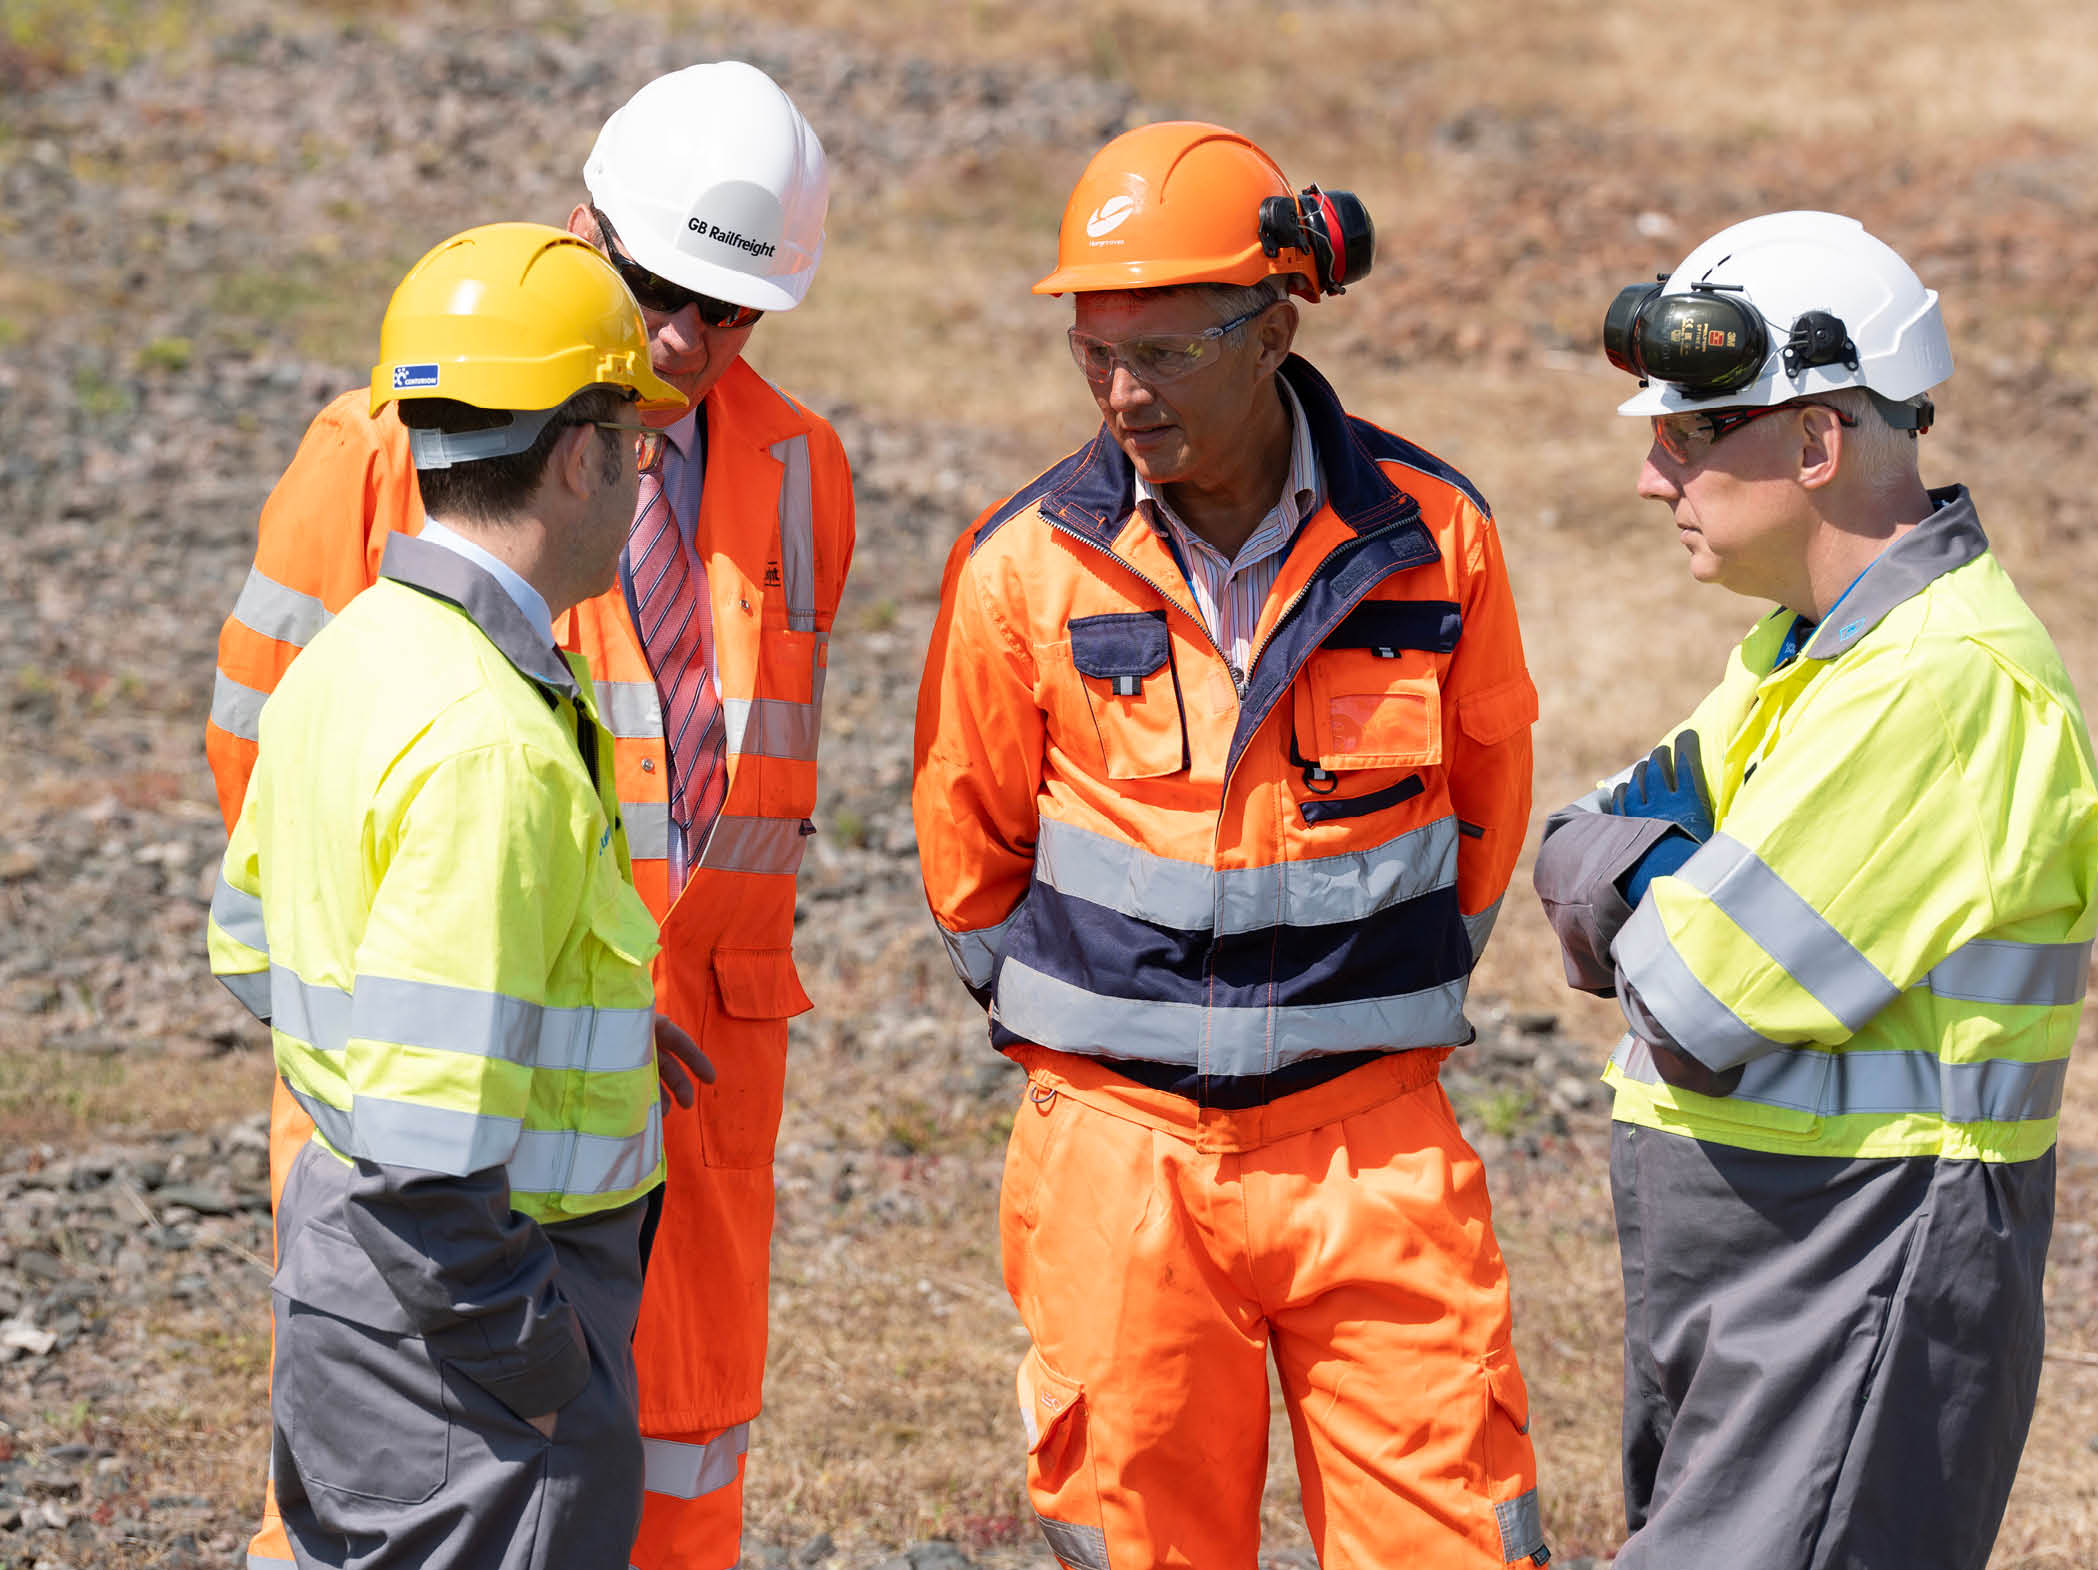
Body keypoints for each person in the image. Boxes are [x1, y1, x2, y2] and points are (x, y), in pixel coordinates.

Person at [203, 62, 854, 1570]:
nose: (688, 342)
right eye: (659, 293)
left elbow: (758, 780)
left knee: (676, 1459)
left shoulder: (802, 472)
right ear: (585, 234)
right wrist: (427, 977)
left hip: (687, 1062)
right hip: (438, 1049)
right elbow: (267, 748)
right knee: (423, 1467)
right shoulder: (387, 447)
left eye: (732, 312)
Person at [912, 122, 1549, 1569]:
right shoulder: (1021, 566)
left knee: (1453, 1532)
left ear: (1275, 324)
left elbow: (1483, 813)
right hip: (1117, 1162)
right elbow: (969, 849)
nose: (1125, 394)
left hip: (1372, 1147)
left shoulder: (1434, 539)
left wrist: (1355, 1007)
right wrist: (1097, 1049)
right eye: (1094, 352)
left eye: (1168, 352)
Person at [1531, 209, 2098, 1570]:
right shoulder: (1810, 654)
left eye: (1685, 438)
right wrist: (1670, 874)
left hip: (1862, 1259)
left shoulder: (1942, 681)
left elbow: (1693, 991)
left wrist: (1660, 880)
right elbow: (1568, 847)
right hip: (1768, 1264)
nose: (1648, 477)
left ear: (1813, 442)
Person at [207, 221, 687, 1565]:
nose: (638, 482)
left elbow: (258, 950)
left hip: (346, 1286)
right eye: (635, 450)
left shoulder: (349, 655)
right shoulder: (490, 739)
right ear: (585, 453)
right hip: (466, 1334)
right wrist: (547, 1371)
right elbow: (433, 1177)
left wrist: (570, 1030)